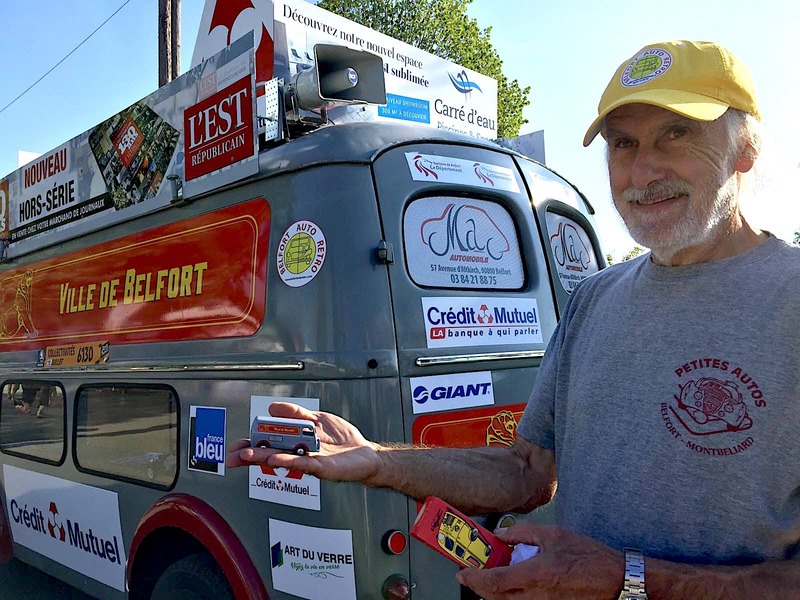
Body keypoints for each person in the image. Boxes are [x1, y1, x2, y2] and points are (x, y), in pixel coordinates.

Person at [228, 40, 800, 599]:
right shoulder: (594, 300)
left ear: (744, 148)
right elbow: (527, 473)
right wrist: (377, 461)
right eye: (623, 144)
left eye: (676, 134)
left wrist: (629, 580)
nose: (643, 171)